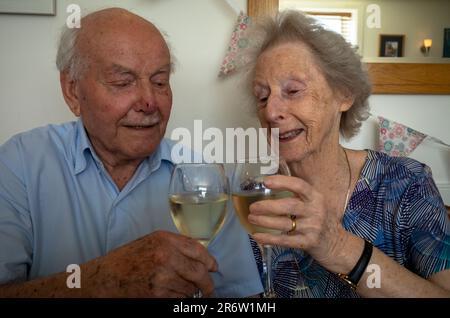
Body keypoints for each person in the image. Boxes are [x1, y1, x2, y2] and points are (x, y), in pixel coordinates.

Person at [0, 8, 262, 297]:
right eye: (123, 82)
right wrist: (104, 280)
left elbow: (242, 300)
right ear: (73, 91)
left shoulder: (205, 178)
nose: (149, 101)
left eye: (160, 82)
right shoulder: (20, 164)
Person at [241, 10, 450, 297]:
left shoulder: (406, 184)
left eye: (293, 91)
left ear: (344, 94)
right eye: (262, 97)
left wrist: (339, 246)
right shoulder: (254, 199)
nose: (271, 111)